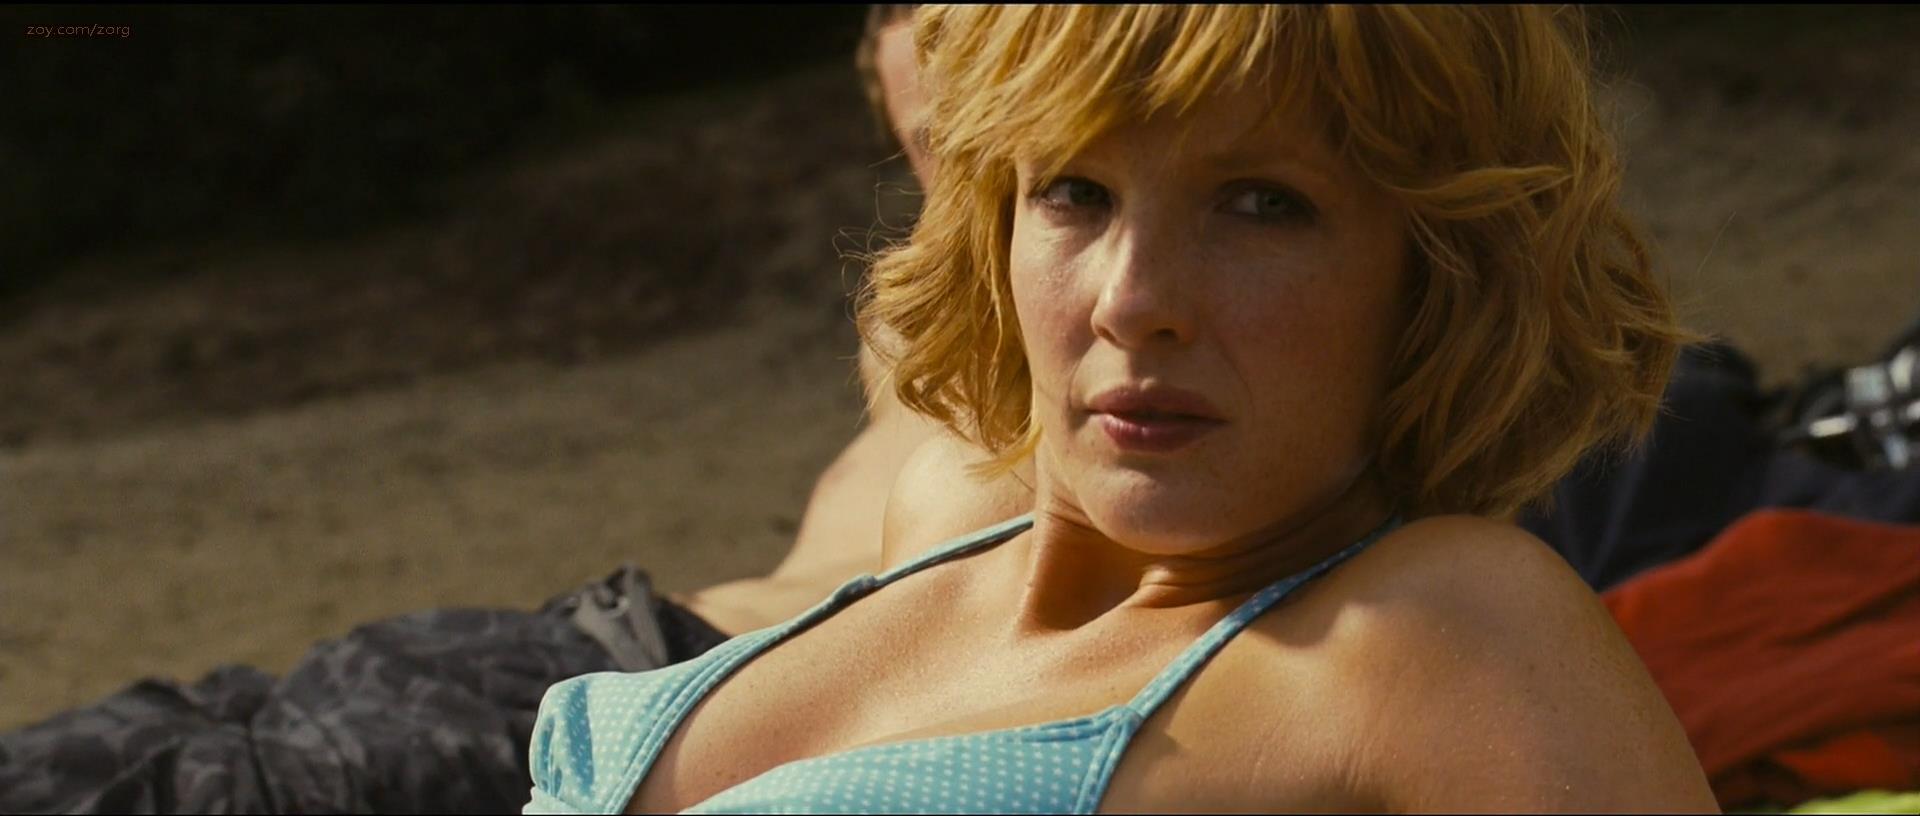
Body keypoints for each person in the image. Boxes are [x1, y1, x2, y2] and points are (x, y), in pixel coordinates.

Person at [524, 5, 1719, 813]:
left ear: (1442, 272)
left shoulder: (1444, 624)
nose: (1133, 300)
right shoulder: (941, 514)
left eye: (1262, 204)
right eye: (1075, 192)